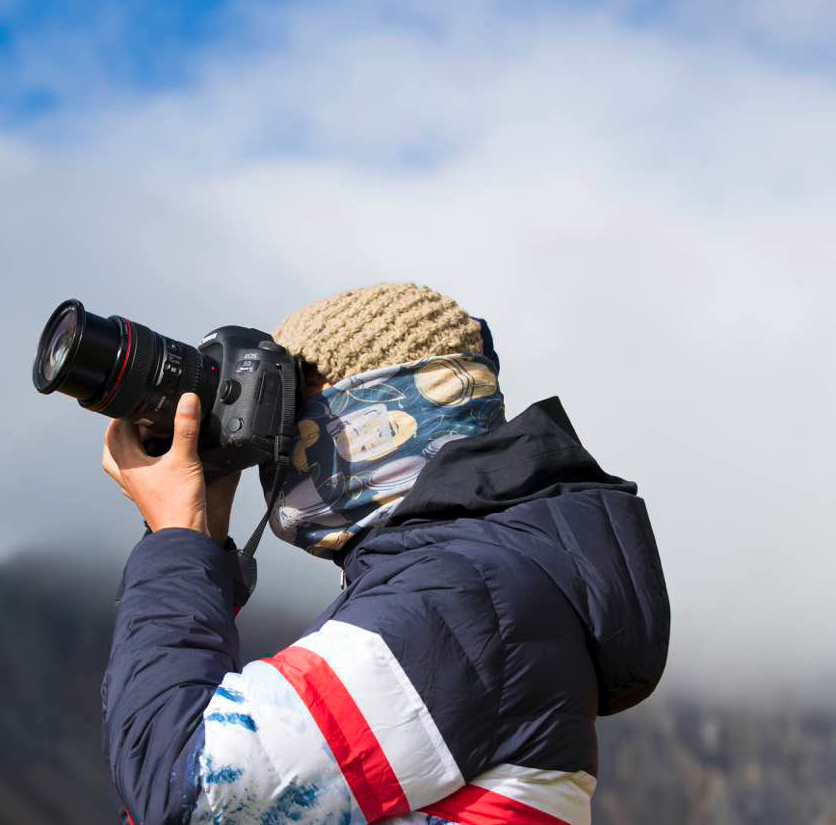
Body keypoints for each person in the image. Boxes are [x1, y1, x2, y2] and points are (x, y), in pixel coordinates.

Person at [100, 282, 669, 825]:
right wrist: (196, 544)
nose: (280, 449)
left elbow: (188, 789)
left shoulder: (469, 597)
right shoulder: (472, 583)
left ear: (385, 409)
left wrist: (175, 540)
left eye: (297, 409)